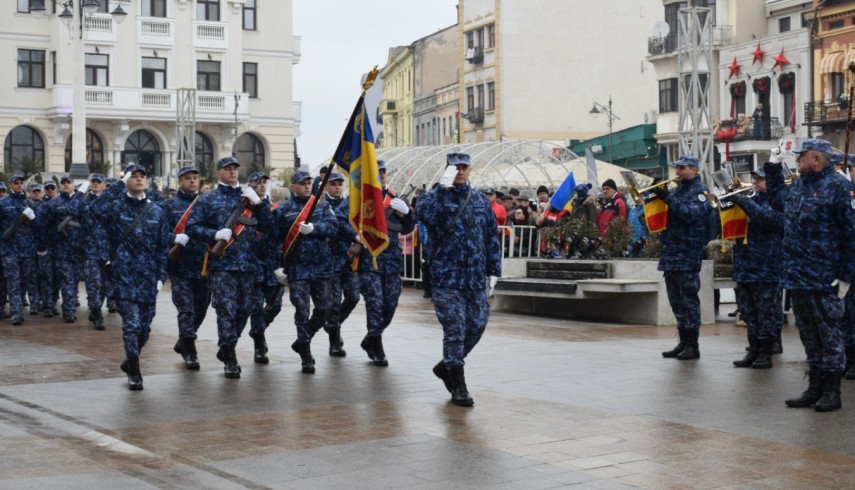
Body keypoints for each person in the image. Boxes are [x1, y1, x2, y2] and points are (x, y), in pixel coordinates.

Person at [416, 152, 502, 407]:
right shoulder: (436, 198)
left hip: (475, 277)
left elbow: (490, 235)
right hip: (446, 277)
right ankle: (458, 383)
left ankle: (447, 365)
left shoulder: (478, 200)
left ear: (470, 170)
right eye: (455, 168)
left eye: (464, 167)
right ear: (447, 170)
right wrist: (441, 189)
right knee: (455, 329)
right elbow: (423, 214)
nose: (460, 171)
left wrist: (494, 269)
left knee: (477, 325)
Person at [782, 139, 855, 412]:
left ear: (816, 158)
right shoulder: (799, 185)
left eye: (801, 156)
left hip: (826, 276)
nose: (797, 160)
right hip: (798, 274)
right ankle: (814, 386)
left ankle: (832, 391)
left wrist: (846, 275)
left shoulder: (839, 186)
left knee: (830, 334)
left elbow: (850, 233)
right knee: (809, 334)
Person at [186, 156, 273, 379]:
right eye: (228, 169)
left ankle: (227, 345)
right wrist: (214, 234)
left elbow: (268, 226)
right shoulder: (208, 199)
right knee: (226, 309)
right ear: (218, 172)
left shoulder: (248, 198)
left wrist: (260, 204)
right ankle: (230, 358)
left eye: (235, 168)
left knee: (245, 309)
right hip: (223, 264)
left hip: (248, 264)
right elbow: (193, 227)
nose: (233, 172)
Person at [89, 164, 169, 390]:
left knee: (145, 328)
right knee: (132, 325)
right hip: (123, 275)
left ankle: (130, 359)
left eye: (142, 176)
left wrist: (161, 275)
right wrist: (116, 185)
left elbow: (162, 246)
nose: (139, 179)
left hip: (147, 278)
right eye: (134, 176)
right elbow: (94, 211)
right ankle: (134, 370)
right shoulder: (115, 207)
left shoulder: (156, 211)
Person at [273, 171, 338, 374]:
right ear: (293, 186)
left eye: (309, 183)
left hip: (321, 266)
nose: (307, 186)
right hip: (298, 268)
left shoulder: (321, 205)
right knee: (302, 309)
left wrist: (315, 228)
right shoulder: (284, 210)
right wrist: (277, 265)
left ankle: (304, 338)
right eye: (302, 183)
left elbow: (333, 227)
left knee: (325, 308)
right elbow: (274, 239)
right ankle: (306, 355)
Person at [356, 163, 415, 366]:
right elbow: (346, 222)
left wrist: (407, 213)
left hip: (391, 261)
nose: (380, 176)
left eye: (383, 172)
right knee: (375, 304)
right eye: (376, 173)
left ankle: (370, 338)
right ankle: (377, 345)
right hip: (369, 259)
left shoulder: (394, 197)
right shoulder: (359, 199)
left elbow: (406, 228)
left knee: (390, 305)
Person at [729, 164, 786, 369]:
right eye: (754, 178)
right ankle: (753, 350)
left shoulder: (778, 201)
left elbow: (767, 220)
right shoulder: (752, 199)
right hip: (745, 266)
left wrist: (743, 201)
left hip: (766, 268)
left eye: (760, 179)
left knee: (766, 313)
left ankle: (765, 352)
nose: (755, 182)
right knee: (748, 312)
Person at [656, 155, 712, 360]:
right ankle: (683, 341)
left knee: (689, 301)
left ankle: (693, 345)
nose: (678, 172)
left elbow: (691, 215)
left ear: (694, 170)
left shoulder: (701, 192)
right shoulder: (678, 190)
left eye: (682, 168)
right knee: (676, 301)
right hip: (671, 254)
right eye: (677, 168)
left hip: (687, 254)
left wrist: (668, 198)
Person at [163, 166, 211, 370]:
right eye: (187, 178)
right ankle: (190, 349)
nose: (192, 181)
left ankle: (184, 339)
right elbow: (159, 232)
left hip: (203, 264)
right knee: (186, 310)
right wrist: (174, 238)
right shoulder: (169, 205)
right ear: (179, 181)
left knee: (202, 308)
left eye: (195, 178)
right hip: (181, 266)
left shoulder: (206, 203)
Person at [38, 174, 86, 323]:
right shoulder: (52, 204)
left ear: (73, 184)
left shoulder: (82, 203)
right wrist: (44, 246)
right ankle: (69, 310)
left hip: (78, 249)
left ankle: (69, 307)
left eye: (68, 182)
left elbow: (88, 224)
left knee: (75, 279)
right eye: (63, 183)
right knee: (66, 280)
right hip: (60, 248)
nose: (66, 185)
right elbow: (42, 225)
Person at [246, 171, 282, 364]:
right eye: (258, 182)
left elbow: (278, 235)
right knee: (256, 308)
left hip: (272, 265)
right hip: (252, 266)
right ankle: (259, 344)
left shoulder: (274, 208)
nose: (262, 185)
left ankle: (257, 330)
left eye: (264, 182)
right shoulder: (243, 208)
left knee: (275, 305)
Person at [323, 171, 361, 356]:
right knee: (334, 302)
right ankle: (334, 342)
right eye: (333, 184)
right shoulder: (322, 205)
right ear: (327, 186)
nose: (337, 187)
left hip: (347, 259)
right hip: (330, 260)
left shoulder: (350, 204)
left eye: (340, 184)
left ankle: (333, 325)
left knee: (354, 296)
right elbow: (336, 224)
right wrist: (355, 236)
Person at [0, 174, 37, 325]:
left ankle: (19, 307)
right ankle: (16, 312)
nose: (19, 185)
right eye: (16, 183)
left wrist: (33, 218)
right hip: (9, 249)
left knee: (24, 281)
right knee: (13, 280)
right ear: (10, 185)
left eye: (21, 183)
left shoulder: (29, 203)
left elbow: (37, 227)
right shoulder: (3, 203)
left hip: (27, 249)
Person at [81, 173, 109, 330]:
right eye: (94, 182)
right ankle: (97, 314)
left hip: (107, 249)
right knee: (93, 283)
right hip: (90, 249)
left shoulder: (111, 202)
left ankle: (95, 308)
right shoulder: (85, 202)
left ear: (105, 185)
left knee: (105, 285)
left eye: (100, 182)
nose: (96, 184)